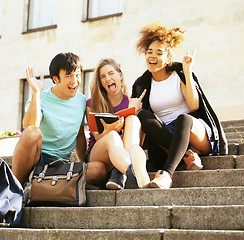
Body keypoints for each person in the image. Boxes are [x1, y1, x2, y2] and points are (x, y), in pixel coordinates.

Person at [131, 22, 228, 189]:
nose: (152, 56)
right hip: (167, 136)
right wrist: (134, 109)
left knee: (184, 118)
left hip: (194, 131)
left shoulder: (179, 74)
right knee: (142, 116)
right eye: (149, 52)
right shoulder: (143, 84)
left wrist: (188, 71)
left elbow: (194, 104)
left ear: (168, 58)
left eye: (158, 53)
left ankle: (166, 174)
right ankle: (188, 155)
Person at [12, 52, 108, 188]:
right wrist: (36, 93)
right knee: (33, 133)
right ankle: (14, 187)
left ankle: (42, 185)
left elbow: (80, 136)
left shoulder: (81, 101)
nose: (74, 81)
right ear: (56, 79)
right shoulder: (41, 97)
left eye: (77, 75)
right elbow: (30, 126)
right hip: (36, 159)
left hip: (61, 164)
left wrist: (83, 163)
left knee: (99, 170)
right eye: (68, 76)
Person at [86, 58, 150, 189]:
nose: (107, 78)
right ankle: (132, 173)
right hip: (99, 153)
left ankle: (119, 173)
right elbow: (97, 137)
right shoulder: (92, 103)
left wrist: (135, 112)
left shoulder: (133, 103)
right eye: (102, 76)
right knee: (113, 136)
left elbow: (141, 139)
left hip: (123, 150)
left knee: (133, 119)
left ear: (120, 75)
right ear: (100, 82)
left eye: (111, 73)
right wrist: (111, 129)